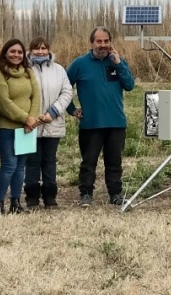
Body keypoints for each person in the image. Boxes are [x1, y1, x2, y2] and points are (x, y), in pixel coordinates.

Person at [66, 27, 135, 207]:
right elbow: (63, 88)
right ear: (92, 43)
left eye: (106, 41)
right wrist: (71, 109)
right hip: (90, 124)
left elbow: (129, 85)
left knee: (115, 162)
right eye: (99, 41)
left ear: (110, 42)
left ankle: (115, 194)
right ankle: (86, 194)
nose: (103, 45)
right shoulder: (79, 64)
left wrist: (119, 64)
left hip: (116, 122)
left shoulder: (118, 62)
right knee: (88, 162)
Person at [0, 38, 41, 215]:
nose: (16, 55)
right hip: (6, 127)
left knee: (21, 166)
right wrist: (26, 118)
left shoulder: (28, 72)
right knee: (9, 165)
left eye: (19, 52)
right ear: (5, 53)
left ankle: (15, 203)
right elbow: (3, 103)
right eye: (12, 51)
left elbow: (36, 97)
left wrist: (32, 119)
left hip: (27, 128)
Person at [24, 36, 74, 210]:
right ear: (30, 51)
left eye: (44, 48)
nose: (40, 51)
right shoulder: (23, 69)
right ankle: (31, 197)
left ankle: (50, 197)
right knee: (31, 162)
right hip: (30, 125)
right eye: (36, 48)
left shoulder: (59, 70)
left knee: (49, 161)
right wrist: (30, 116)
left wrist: (53, 112)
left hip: (53, 123)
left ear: (49, 50)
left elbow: (67, 92)